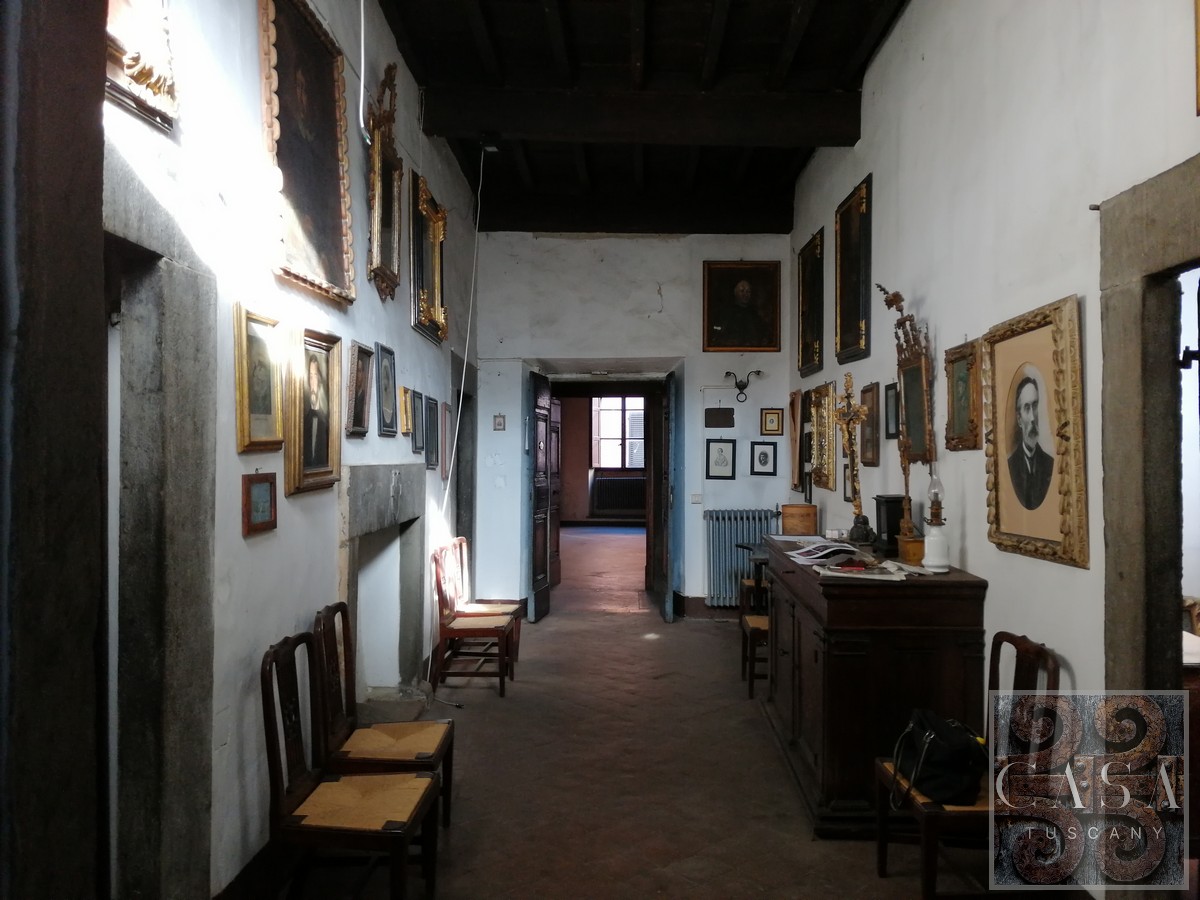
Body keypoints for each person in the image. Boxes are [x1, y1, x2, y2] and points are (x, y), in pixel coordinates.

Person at [1006, 373, 1054, 510]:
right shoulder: (1010, 465)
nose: (1033, 417)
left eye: (1035, 405)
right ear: (1019, 419)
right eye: (1027, 408)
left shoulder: (1050, 463)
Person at [709, 278, 771, 349]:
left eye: (748, 291)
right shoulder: (726, 312)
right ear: (735, 293)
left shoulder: (754, 313)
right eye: (742, 291)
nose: (745, 294)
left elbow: (762, 333)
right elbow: (717, 329)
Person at [303, 354, 329, 469]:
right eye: (310, 376)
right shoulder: (304, 413)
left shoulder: (326, 416)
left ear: (319, 379)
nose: (313, 381)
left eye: (315, 376)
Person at [352, 354, 368, 429]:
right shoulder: (352, 395)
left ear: (363, 374)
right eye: (355, 371)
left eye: (359, 371)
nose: (357, 375)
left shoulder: (365, 396)